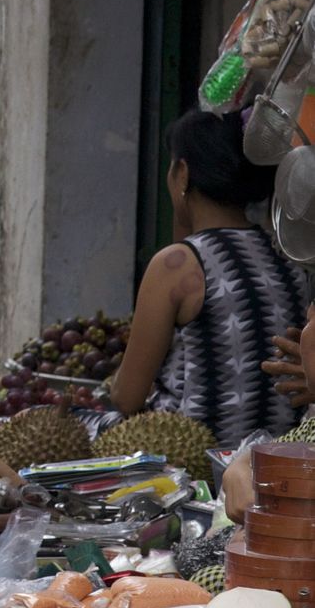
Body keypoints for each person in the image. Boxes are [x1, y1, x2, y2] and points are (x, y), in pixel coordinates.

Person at [114, 109, 304, 441]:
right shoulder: (289, 258)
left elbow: (127, 397)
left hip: (193, 457)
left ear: (183, 174)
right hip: (274, 457)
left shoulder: (177, 264)